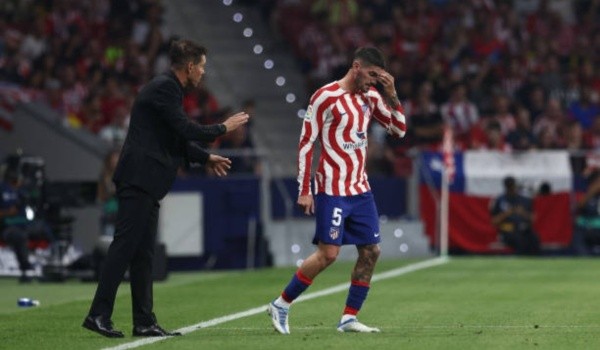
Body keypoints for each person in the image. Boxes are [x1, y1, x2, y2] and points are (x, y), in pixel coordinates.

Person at [82, 38, 249, 338]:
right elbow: (185, 129)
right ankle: (97, 314)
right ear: (189, 66)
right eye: (201, 67)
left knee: (143, 254)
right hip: (139, 179)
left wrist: (206, 157)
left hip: (146, 181)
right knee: (124, 248)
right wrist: (222, 128)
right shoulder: (165, 88)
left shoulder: (168, 89)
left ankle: (144, 321)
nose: (203, 73)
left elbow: (175, 139)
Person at [267, 47, 406, 334]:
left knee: (371, 251)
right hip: (332, 189)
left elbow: (400, 131)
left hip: (361, 189)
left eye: (377, 78)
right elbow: (307, 143)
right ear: (356, 66)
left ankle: (349, 318)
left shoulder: (371, 97)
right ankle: (281, 304)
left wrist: (392, 95)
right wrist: (304, 189)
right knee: (328, 255)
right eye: (370, 75)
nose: (372, 82)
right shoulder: (325, 97)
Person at [0, 168, 54, 283]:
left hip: (25, 224)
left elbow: (36, 198)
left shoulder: (22, 190)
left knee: (44, 228)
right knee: (20, 236)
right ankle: (26, 269)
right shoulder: (2, 189)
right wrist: (7, 213)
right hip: (7, 226)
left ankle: (52, 265)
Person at [490, 176, 540, 255]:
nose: (511, 189)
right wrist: (507, 213)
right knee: (518, 239)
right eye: (509, 187)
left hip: (524, 229)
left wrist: (522, 213)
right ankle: (520, 261)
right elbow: (494, 221)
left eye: (512, 186)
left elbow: (533, 218)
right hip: (507, 230)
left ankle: (536, 261)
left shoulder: (524, 199)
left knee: (534, 238)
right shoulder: (500, 200)